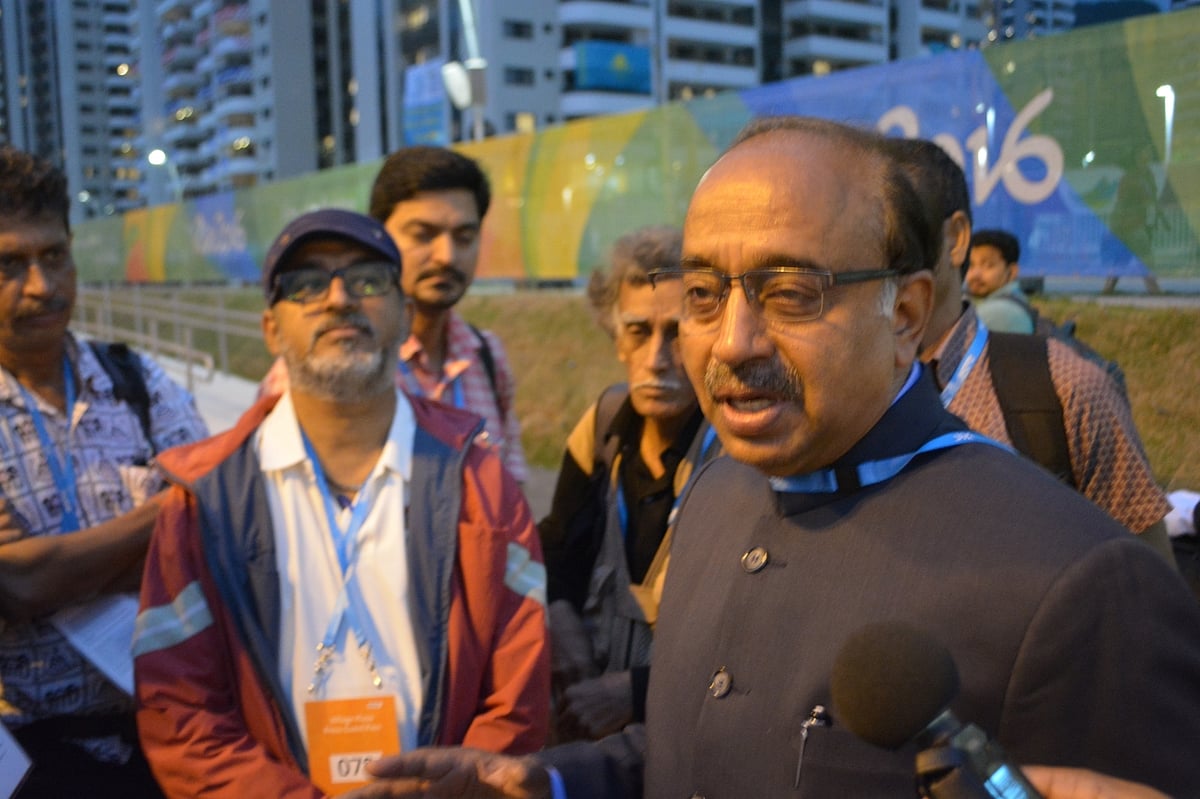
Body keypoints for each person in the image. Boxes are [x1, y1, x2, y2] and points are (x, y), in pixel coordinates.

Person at [345, 117, 1200, 798]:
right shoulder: (718, 491)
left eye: (791, 293)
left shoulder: (1081, 584)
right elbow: (700, 746)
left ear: (906, 314)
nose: (732, 341)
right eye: (704, 294)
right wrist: (556, 778)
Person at [133, 209, 549, 798]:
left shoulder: (481, 484)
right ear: (271, 329)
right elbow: (180, 713)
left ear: (405, 316)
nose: (338, 299)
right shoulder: (203, 502)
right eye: (306, 284)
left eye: (367, 280)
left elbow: (520, 691)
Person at [0, 145, 209, 796]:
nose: (43, 286)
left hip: (166, 742)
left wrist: (48, 569)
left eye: (54, 255)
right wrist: (164, 519)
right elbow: (12, 587)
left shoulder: (138, 382)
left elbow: (215, 529)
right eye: (9, 264)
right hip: (25, 760)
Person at [889, 137, 1174, 562]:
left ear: (955, 238)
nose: (867, 252)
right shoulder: (841, 395)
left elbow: (1150, 576)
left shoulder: (1066, 389)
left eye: (891, 228)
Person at [538, 226, 718, 741]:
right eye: (638, 331)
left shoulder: (738, 452)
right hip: (591, 722)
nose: (657, 359)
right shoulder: (601, 428)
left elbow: (756, 632)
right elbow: (555, 546)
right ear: (615, 337)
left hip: (690, 731)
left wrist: (635, 693)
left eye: (677, 333)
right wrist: (560, 617)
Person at [260, 146, 528, 482]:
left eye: (464, 237)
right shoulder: (324, 369)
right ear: (378, 239)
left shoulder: (487, 357)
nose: (446, 256)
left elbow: (512, 487)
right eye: (422, 235)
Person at [965, 228, 1036, 333]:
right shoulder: (1016, 301)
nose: (975, 274)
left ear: (1012, 271)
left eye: (988, 265)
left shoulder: (998, 311)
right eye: (971, 265)